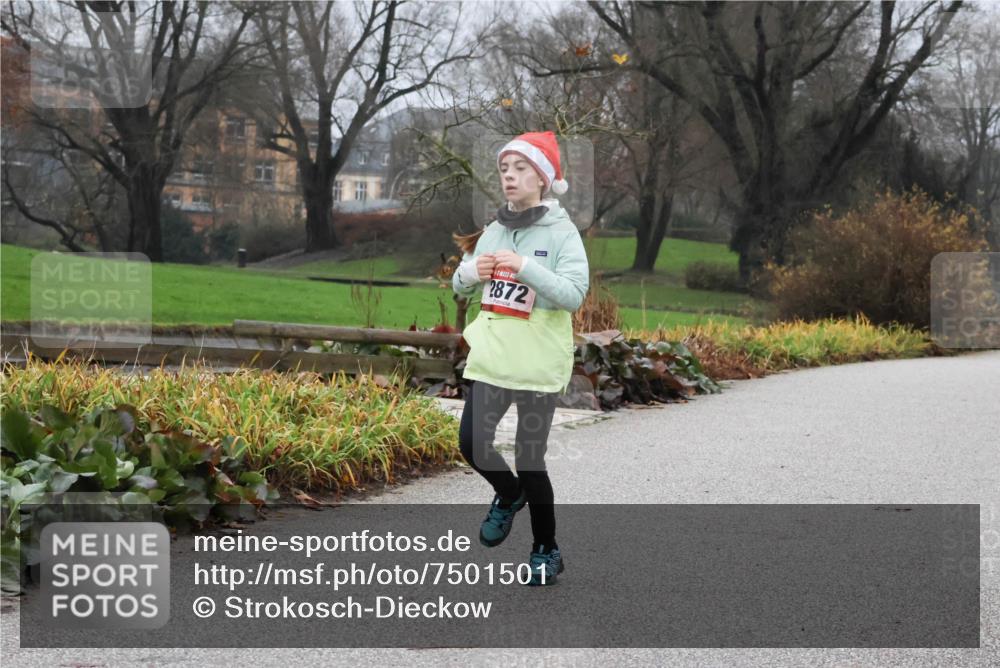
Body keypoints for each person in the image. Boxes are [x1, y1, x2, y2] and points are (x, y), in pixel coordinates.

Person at [451, 130, 589, 586]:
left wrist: (526, 268)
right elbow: (459, 284)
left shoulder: (563, 233)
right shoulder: (493, 230)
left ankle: (546, 549)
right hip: (492, 359)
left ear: (543, 179)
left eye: (520, 169)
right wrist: (472, 271)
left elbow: (572, 295)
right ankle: (508, 495)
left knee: (531, 460)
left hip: (537, 366)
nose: (509, 177)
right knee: (471, 444)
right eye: (505, 170)